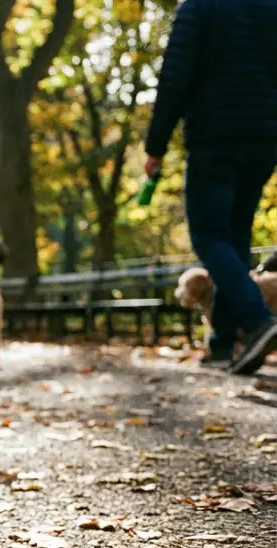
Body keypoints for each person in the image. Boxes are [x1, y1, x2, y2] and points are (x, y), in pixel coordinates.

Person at [144, 0, 277, 374]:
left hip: (215, 138)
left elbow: (175, 75)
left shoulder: (200, 7)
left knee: (208, 238)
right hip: (265, 140)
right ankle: (223, 342)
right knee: (235, 241)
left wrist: (156, 144)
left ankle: (256, 321)